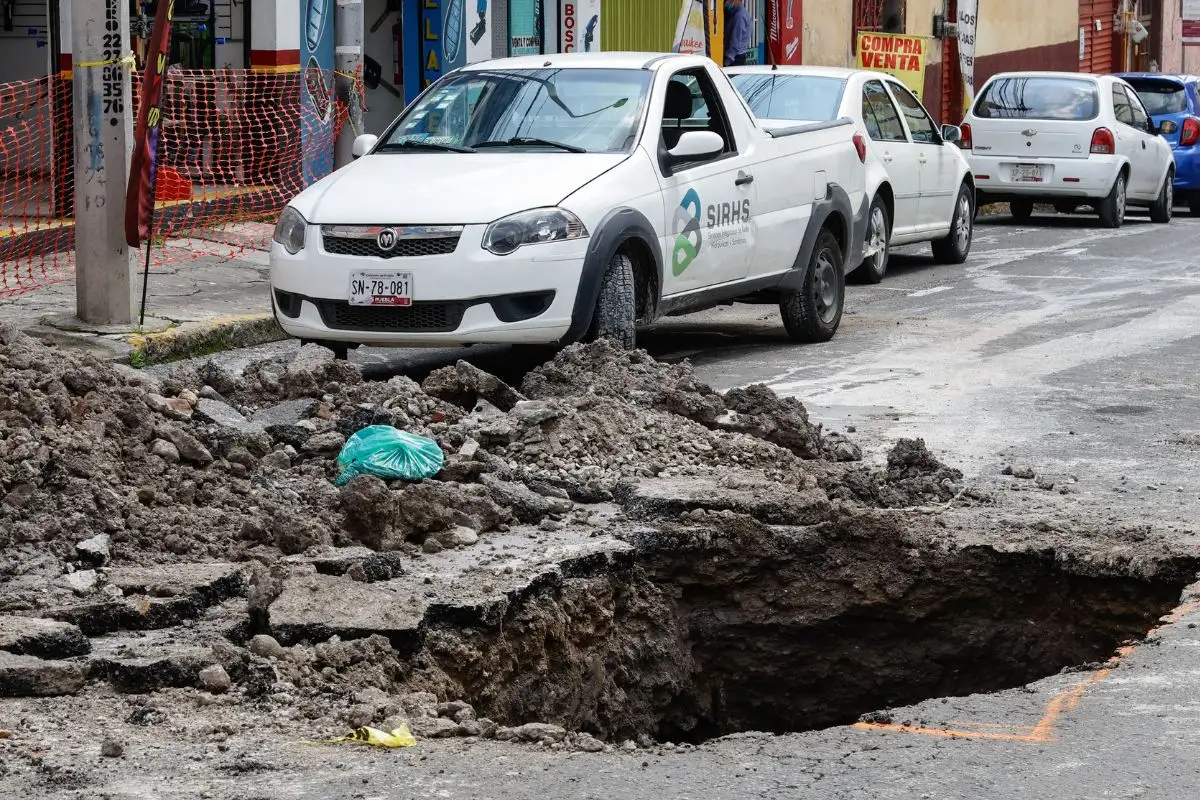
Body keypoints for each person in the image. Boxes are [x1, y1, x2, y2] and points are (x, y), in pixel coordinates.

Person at [723, 0, 752, 66]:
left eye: (730, 0)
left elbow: (736, 39)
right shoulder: (737, 13)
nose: (727, 2)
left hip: (735, 57)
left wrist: (729, 59)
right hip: (737, 56)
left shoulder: (739, 15)